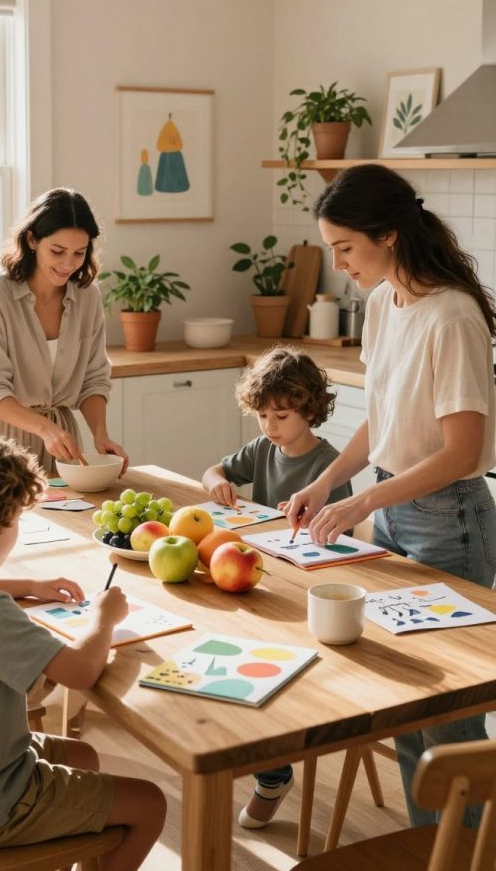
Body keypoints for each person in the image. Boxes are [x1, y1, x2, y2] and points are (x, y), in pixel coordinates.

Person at [284, 163, 496, 829]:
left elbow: (460, 453)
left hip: (448, 522)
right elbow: (383, 415)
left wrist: (362, 505)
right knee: (408, 704)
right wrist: (326, 483)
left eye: (345, 247)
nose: (337, 263)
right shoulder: (382, 303)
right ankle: (424, 851)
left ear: (388, 236)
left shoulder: (452, 316)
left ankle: (465, 856)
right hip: (395, 511)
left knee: (450, 718)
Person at [0, 435, 166, 868]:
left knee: (83, 755)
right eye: (15, 521)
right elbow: (81, 672)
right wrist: (103, 618)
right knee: (149, 803)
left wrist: (28, 586)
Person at [202, 345, 353, 829]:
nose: (269, 426)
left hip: (305, 587)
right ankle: (262, 764)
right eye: (262, 415)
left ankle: (271, 776)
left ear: (309, 410)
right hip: (256, 579)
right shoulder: (263, 450)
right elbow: (215, 470)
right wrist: (217, 483)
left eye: (281, 415)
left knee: (273, 673)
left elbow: (338, 547)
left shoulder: (331, 468)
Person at [0, 187, 128, 475]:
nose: (68, 264)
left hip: (59, 443)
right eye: (57, 251)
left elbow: (93, 378)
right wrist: (45, 429)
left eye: (79, 253)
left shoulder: (88, 296)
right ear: (32, 239)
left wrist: (100, 435)